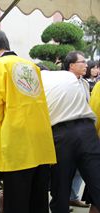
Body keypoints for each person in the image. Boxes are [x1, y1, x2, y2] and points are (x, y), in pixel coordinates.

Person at [0, 30, 56, 213]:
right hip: (41, 144)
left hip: (17, 147)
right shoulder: (32, 66)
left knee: (17, 205)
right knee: (38, 204)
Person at [41, 70, 100, 213]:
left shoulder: (38, 82)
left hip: (61, 134)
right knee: (97, 181)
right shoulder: (67, 76)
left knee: (60, 185)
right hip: (87, 130)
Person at [63, 51, 90, 208]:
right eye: (82, 62)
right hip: (67, 130)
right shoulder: (62, 82)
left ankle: (72, 196)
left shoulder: (85, 83)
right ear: (71, 65)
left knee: (80, 167)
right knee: (66, 167)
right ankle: (60, 200)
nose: (86, 65)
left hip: (83, 130)